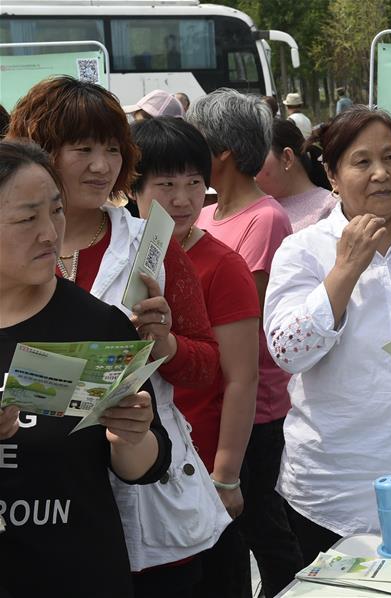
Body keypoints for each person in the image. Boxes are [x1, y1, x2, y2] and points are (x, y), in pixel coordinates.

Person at [8, 76, 224, 597]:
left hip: (144, 486)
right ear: (39, 152)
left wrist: (165, 344)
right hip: (34, 509)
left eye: (113, 148)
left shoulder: (151, 245)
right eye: (82, 149)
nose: (101, 166)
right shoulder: (12, 256)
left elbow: (207, 365)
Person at [263, 106, 391, 565]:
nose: (381, 173)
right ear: (332, 175)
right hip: (334, 492)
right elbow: (287, 352)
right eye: (362, 162)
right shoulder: (302, 251)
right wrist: (346, 269)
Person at [0, 138, 171, 598]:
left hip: (75, 573)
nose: (49, 233)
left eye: (55, 211)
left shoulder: (97, 324)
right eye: (25, 218)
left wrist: (132, 437)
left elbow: (146, 467)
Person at [130, 116, 261, 598]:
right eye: (165, 184)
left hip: (199, 467)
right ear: (134, 186)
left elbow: (241, 379)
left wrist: (225, 475)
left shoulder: (222, 266)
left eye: (194, 183)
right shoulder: (119, 255)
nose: (182, 200)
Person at [187, 88, 302, 598]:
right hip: (210, 400)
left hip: (255, 405)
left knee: (261, 526)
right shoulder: (207, 212)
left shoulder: (266, 218)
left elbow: (241, 319)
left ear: (223, 152)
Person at [256, 119, 335, 232]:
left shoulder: (331, 209)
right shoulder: (249, 206)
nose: (247, 166)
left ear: (287, 158)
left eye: (256, 157)